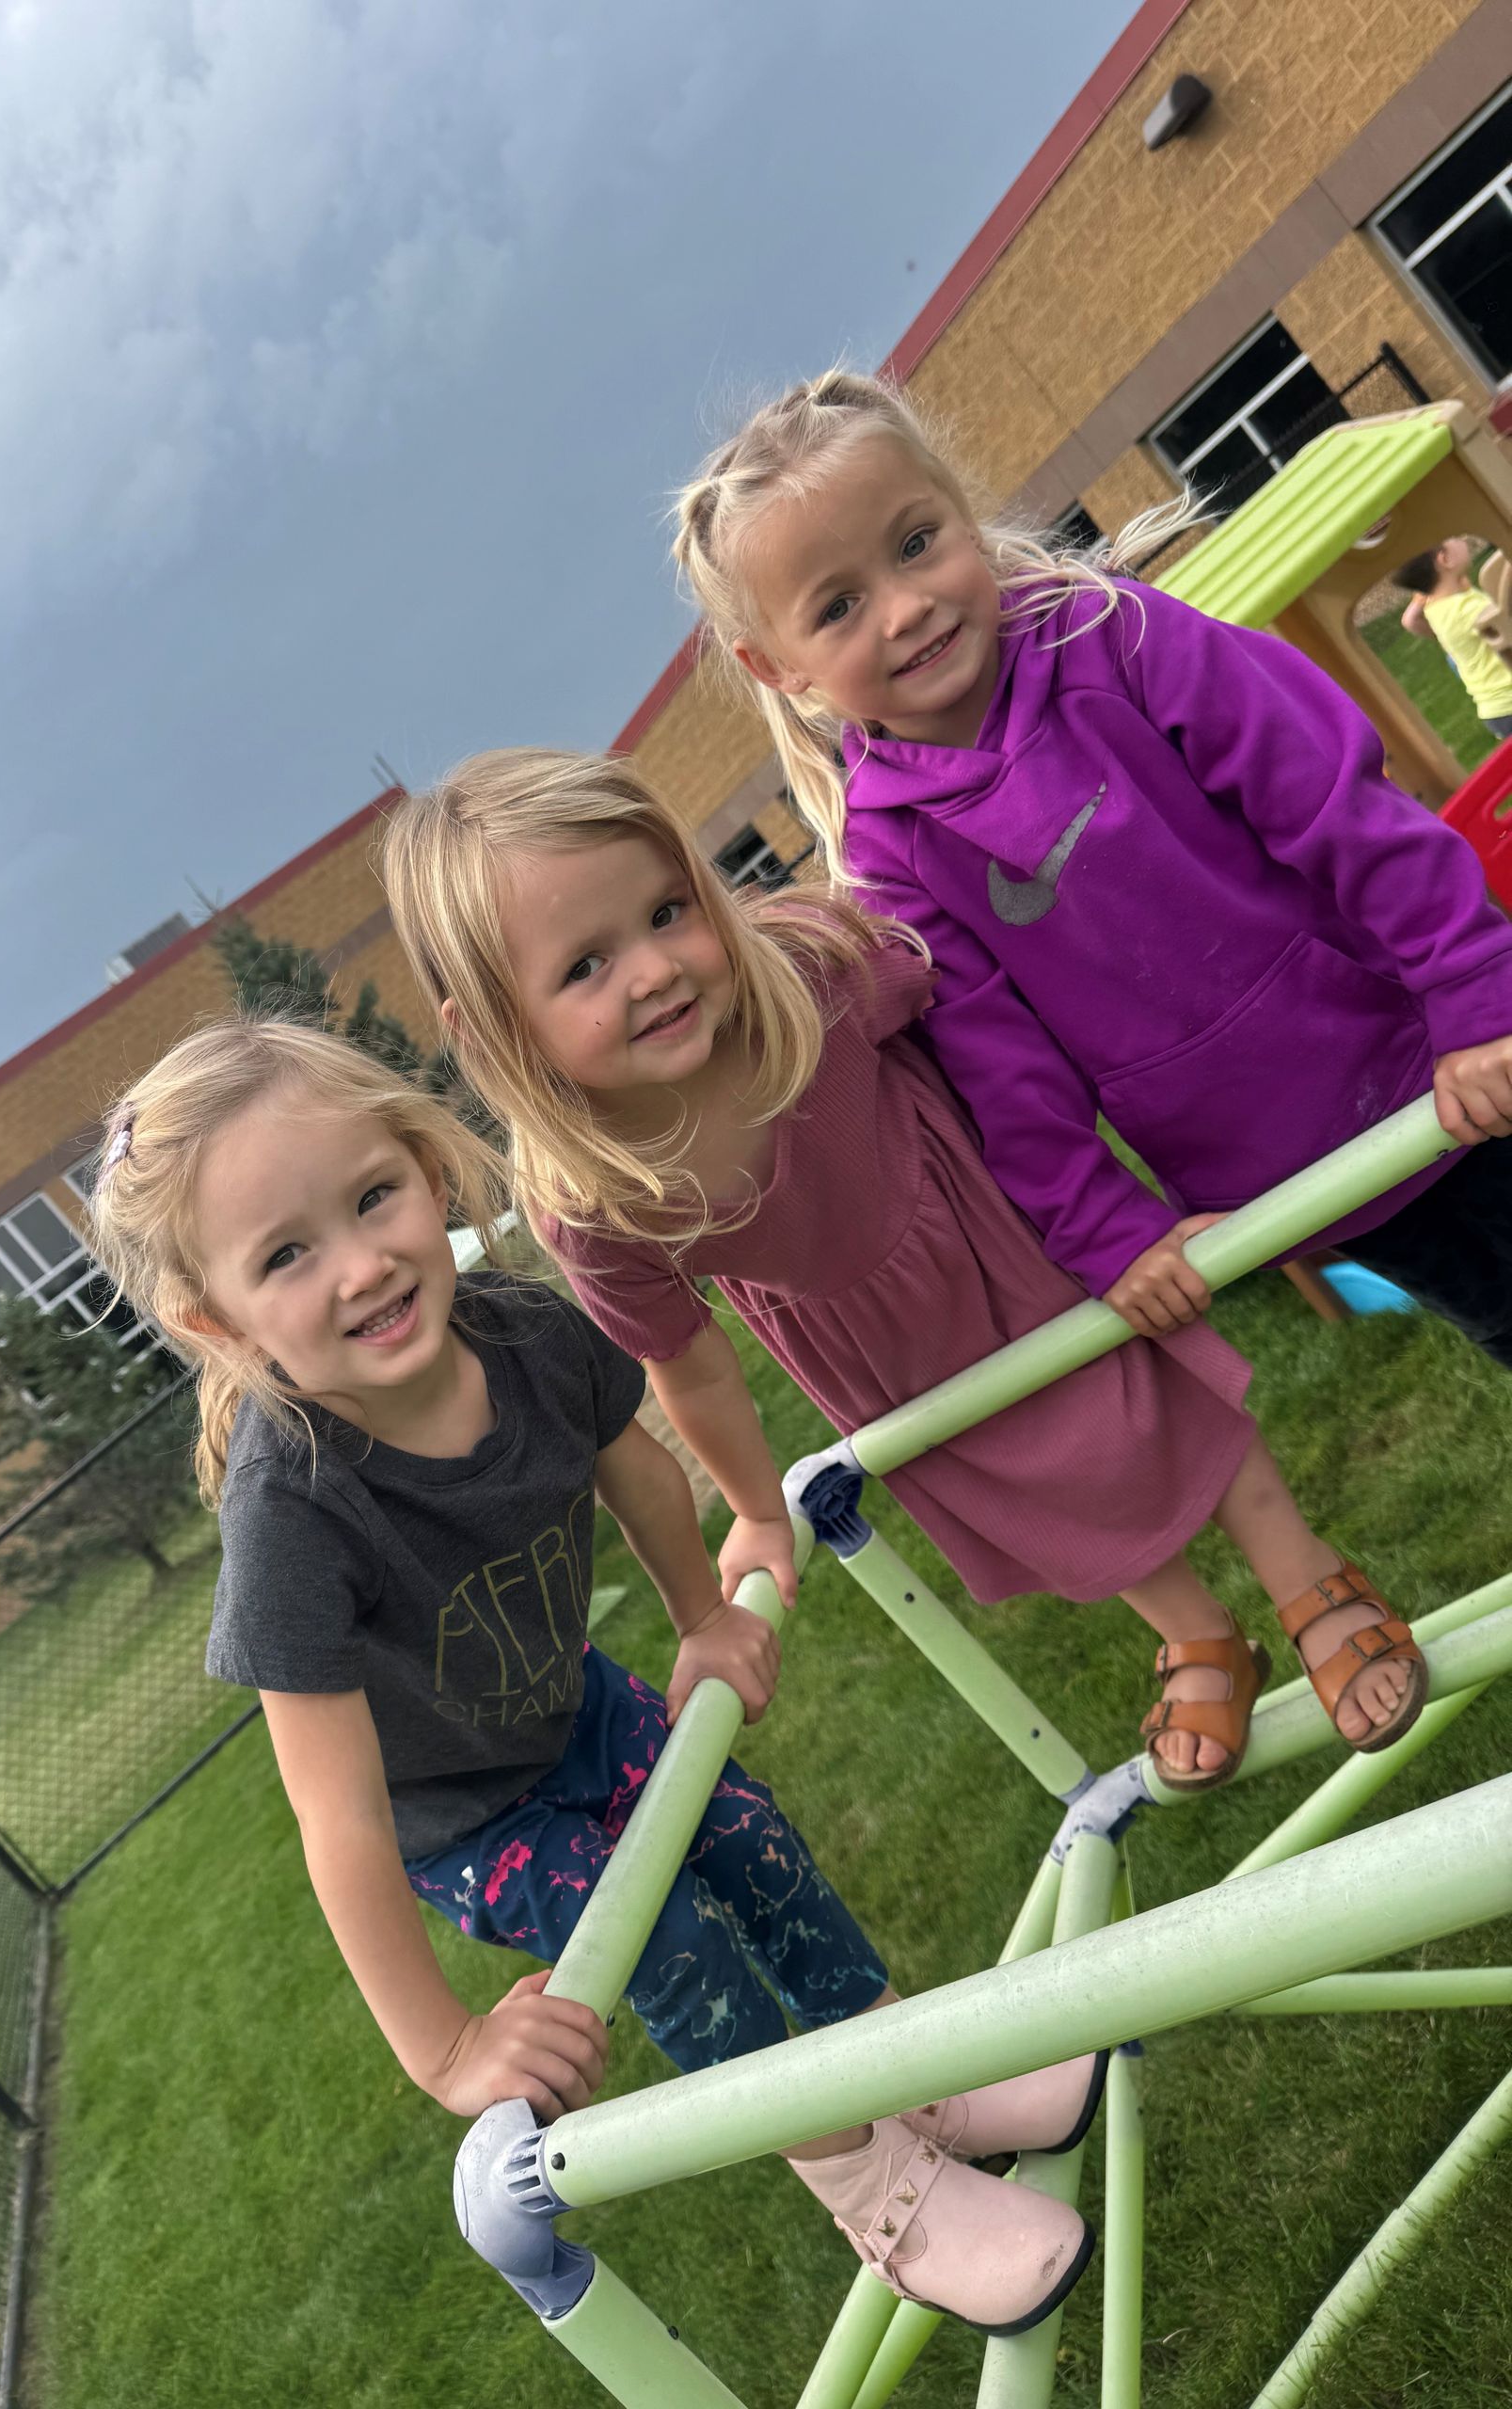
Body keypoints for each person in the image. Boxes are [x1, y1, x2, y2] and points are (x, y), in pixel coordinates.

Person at [85, 1015, 1099, 2336]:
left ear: (426, 1171)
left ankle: (915, 2069)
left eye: (372, 1197)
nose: (361, 1267)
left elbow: (627, 1457)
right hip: (468, 1821)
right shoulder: (296, 1507)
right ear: (218, 1317)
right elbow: (335, 1818)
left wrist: (697, 1615)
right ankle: (874, 2189)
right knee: (674, 1944)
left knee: (746, 1833)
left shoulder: (518, 1332)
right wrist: (445, 2047)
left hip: (578, 1706)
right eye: (287, 1255)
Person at [380, 750, 1426, 1799]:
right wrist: (751, 1506)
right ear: (499, 1030)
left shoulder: (811, 974)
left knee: (1165, 1398)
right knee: (1059, 1489)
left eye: (665, 912)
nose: (653, 971)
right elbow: (687, 1366)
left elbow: (978, 1001)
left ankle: (1305, 1576)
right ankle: (1199, 1635)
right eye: (584, 967)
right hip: (890, 1356)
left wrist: (1086, 1194)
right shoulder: (594, 1199)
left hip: (1009, 1233)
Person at [670, 369, 1512, 1382]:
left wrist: (1474, 991)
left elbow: (1338, 806)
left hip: (1446, 1056)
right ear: (777, 666)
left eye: (915, 542)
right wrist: (1105, 1225)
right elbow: (1000, 1063)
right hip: (1302, 1172)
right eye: (841, 605)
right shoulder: (892, 854)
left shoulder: (1122, 639)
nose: (904, 608)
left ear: (962, 517)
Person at [1393, 538, 1512, 742]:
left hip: (1495, 710)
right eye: (1455, 538)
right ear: (1445, 559)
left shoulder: (1437, 609)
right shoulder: (1468, 611)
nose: (1463, 539)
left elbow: (1411, 620)